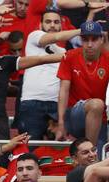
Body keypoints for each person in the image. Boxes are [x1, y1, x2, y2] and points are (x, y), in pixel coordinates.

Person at [56, 20, 109, 146]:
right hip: (74, 114)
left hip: (99, 118)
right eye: (85, 39)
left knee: (99, 160)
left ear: (101, 39)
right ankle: (90, 151)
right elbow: (63, 90)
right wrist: (61, 123)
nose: (89, 44)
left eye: (94, 39)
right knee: (97, 104)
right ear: (80, 40)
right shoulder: (69, 56)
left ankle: (90, 154)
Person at [18, 10, 80, 140]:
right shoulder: (34, 36)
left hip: (56, 104)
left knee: (57, 149)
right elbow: (57, 37)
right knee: (29, 149)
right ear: (40, 25)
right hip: (32, 102)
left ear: (61, 27)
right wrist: (83, 30)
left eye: (56, 22)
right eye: (48, 22)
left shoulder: (63, 51)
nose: (52, 25)